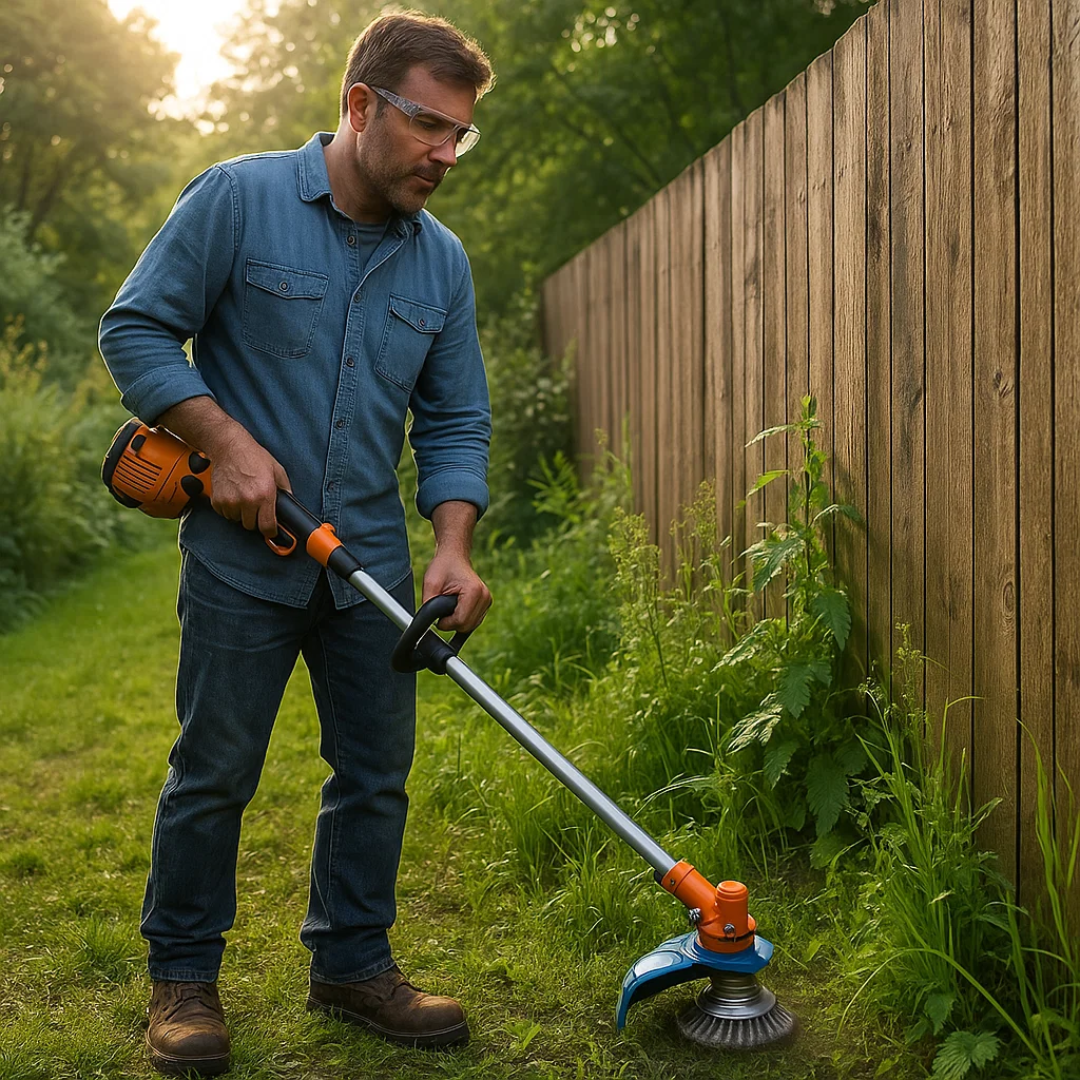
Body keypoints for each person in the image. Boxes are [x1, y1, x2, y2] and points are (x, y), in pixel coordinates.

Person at [98, 12, 494, 1076]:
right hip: (243, 564)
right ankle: (182, 979)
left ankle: (353, 966)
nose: (447, 154)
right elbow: (134, 327)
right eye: (430, 127)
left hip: (370, 566)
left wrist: (452, 545)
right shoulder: (238, 199)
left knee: (376, 771)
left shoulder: (441, 264)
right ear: (360, 105)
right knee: (215, 769)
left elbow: (455, 420)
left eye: (461, 135)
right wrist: (222, 441)